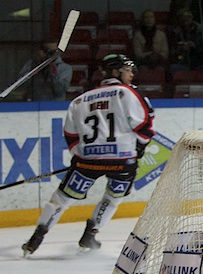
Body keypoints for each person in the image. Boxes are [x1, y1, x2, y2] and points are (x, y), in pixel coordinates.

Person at [22, 54, 155, 256]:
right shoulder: (127, 93)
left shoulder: (78, 100)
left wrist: (81, 157)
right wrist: (139, 148)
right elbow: (144, 125)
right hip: (123, 162)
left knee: (61, 198)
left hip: (87, 162)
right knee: (112, 198)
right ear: (115, 71)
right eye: (128, 70)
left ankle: (36, 238)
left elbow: (71, 136)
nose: (131, 74)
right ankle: (89, 235)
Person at [167, 8, 203, 78]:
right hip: (182, 63)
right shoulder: (175, 33)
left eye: (188, 17)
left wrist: (195, 47)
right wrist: (179, 50)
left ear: (191, 18)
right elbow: (172, 53)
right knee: (172, 68)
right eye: (183, 17)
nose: (186, 20)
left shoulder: (201, 31)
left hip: (199, 63)